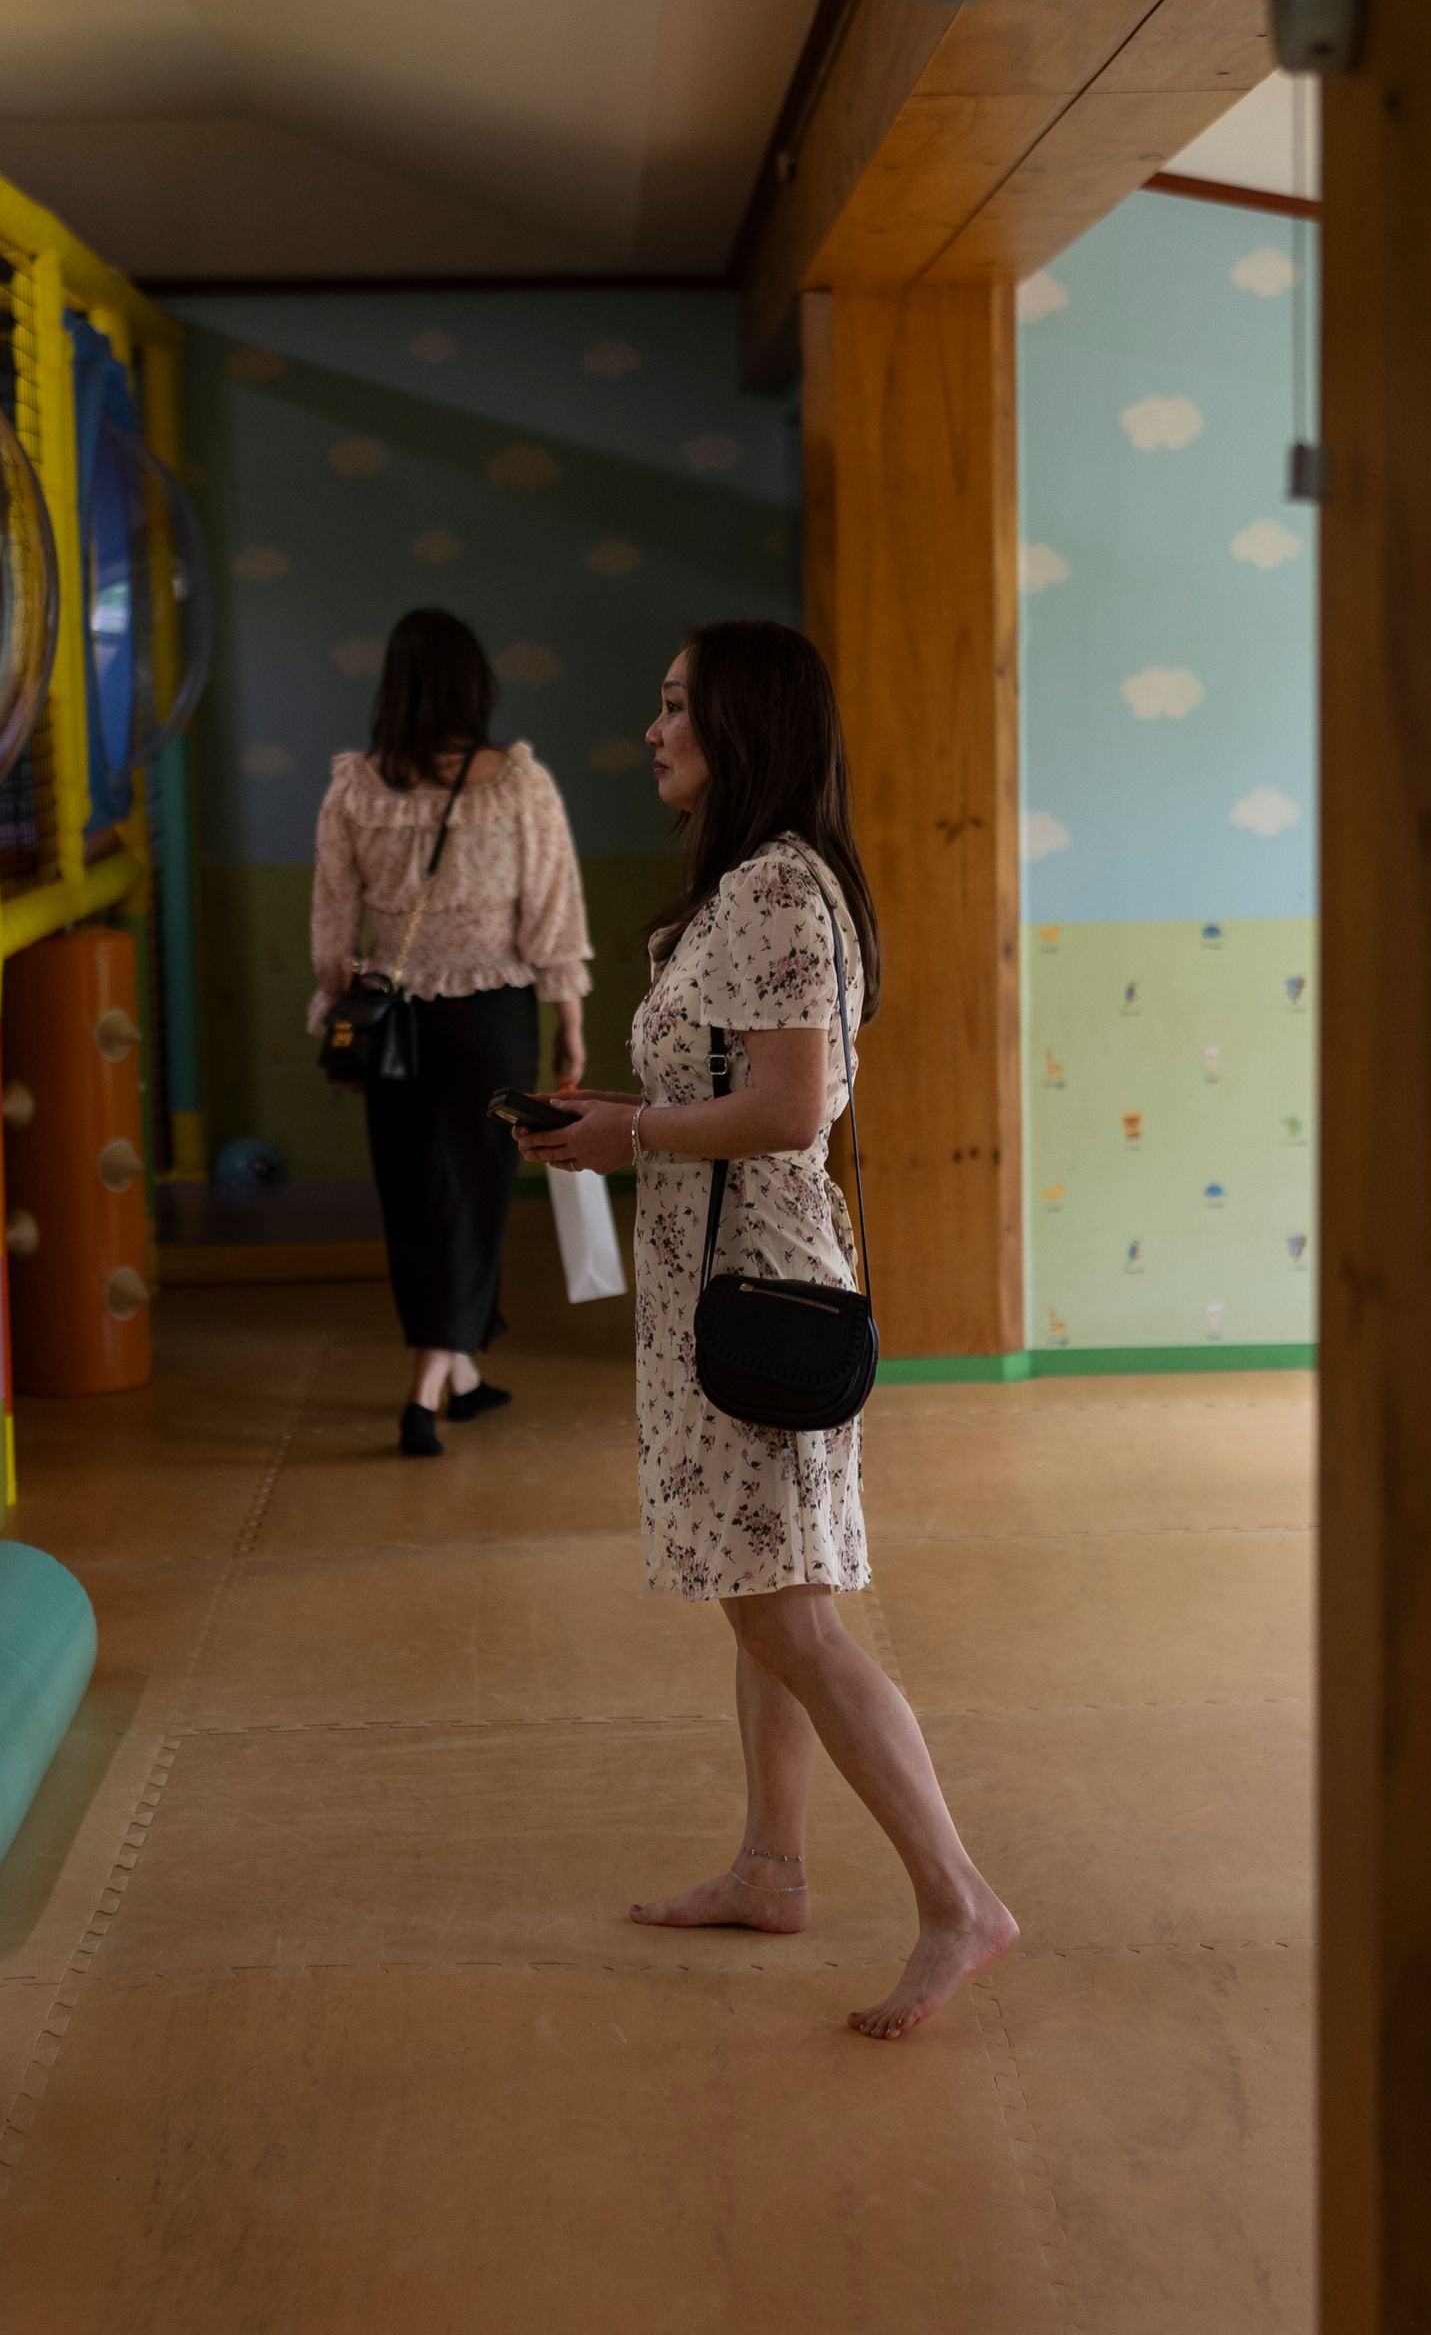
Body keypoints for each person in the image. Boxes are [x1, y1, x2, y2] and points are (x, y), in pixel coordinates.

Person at [515, 619, 1017, 2039]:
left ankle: (957, 1899)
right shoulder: (751, 887)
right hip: (713, 1268)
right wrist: (624, 1133)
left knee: (788, 1606)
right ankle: (772, 1865)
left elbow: (794, 1110)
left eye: (680, 707)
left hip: (759, 1276)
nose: (656, 729)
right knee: (764, 1592)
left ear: (750, 729)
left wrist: (631, 1133)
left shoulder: (782, 891)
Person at [311, 607, 591, 1456]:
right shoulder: (519, 784)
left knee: (414, 1198)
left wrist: (339, 1021)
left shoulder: (355, 787)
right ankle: (429, 1386)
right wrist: (569, 1019)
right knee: (474, 1195)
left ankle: (458, 1375)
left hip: (389, 1020)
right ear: (477, 684)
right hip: (493, 1020)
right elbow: (553, 911)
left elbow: (333, 924)